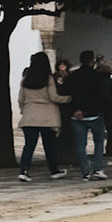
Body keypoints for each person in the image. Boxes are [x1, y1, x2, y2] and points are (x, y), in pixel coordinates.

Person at [16, 53, 67, 182]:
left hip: (30, 116)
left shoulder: (25, 80)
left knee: (29, 145)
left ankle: (24, 171)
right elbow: (53, 97)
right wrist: (68, 98)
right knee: (49, 146)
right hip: (47, 117)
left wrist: (24, 111)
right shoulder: (48, 79)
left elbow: (21, 99)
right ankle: (54, 170)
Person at [65, 50, 110, 180]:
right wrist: (87, 110)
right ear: (92, 61)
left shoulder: (71, 77)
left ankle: (84, 172)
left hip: (76, 116)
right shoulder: (97, 77)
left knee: (80, 145)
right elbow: (100, 97)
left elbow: (66, 96)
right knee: (99, 142)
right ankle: (97, 169)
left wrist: (74, 110)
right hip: (94, 114)